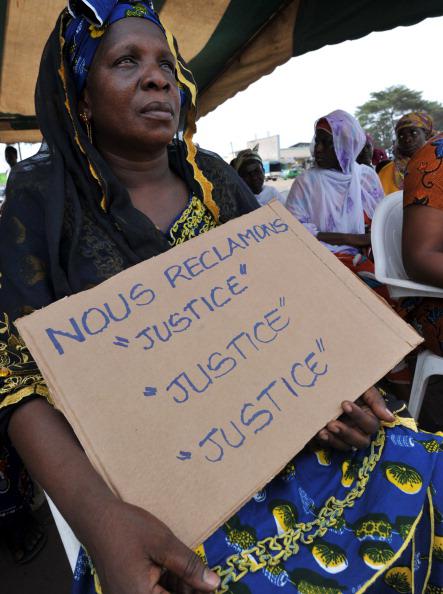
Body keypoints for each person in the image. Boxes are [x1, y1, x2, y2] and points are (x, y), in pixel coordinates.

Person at [1, 3, 443, 593]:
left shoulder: (213, 180)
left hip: (291, 423)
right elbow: (16, 379)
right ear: (80, 96)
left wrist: (345, 386)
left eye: (165, 62)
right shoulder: (41, 199)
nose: (158, 77)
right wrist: (101, 522)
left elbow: (295, 300)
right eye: (125, 62)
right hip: (161, 489)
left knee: (424, 481)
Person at [286, 110, 387, 296]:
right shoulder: (306, 182)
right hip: (324, 258)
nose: (318, 149)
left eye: (327, 143)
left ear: (346, 145)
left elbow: (383, 220)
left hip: (372, 253)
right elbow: (295, 230)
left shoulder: (366, 176)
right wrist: (351, 239)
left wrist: (370, 239)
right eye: (317, 141)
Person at [378, 112, 436, 195]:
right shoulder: (386, 172)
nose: (407, 139)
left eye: (414, 133)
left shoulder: (438, 165)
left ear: (426, 135)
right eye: (401, 136)